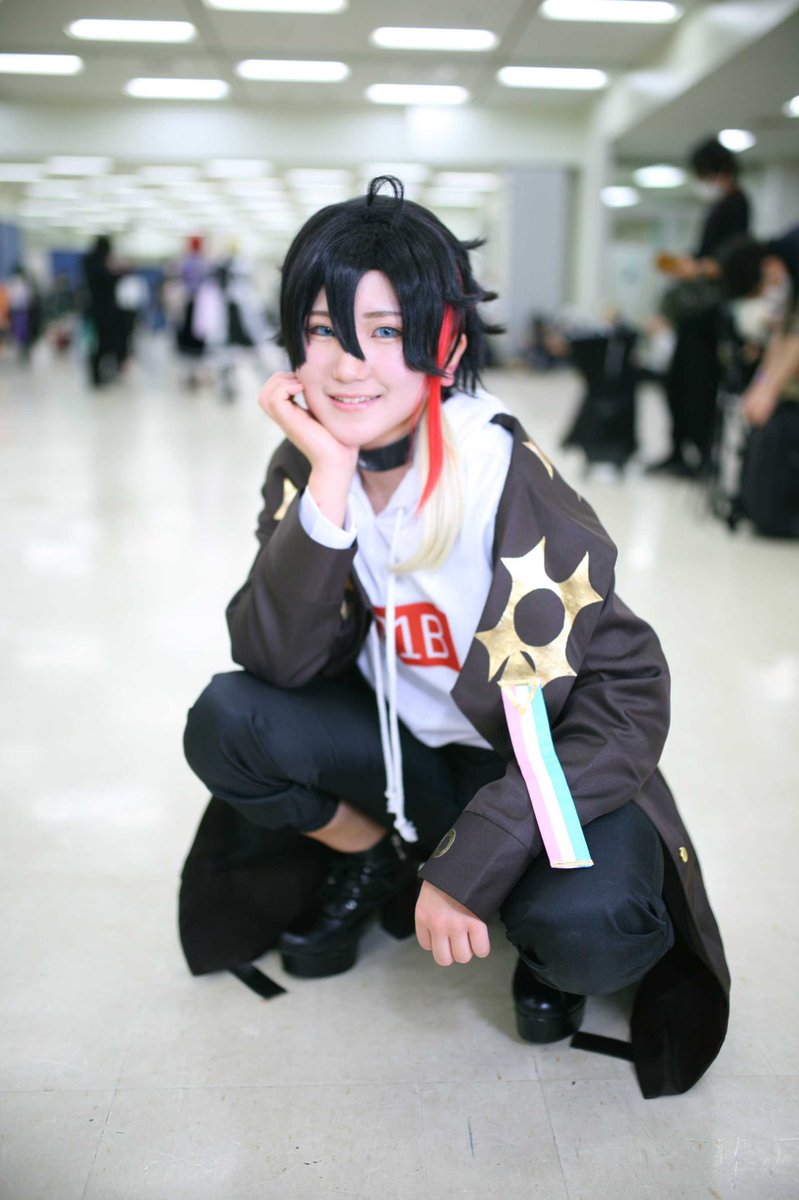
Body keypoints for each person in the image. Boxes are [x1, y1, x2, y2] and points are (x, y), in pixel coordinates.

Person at [180, 177, 729, 1099]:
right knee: (227, 719)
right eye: (323, 330)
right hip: (403, 753)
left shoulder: (500, 475)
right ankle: (375, 856)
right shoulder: (309, 458)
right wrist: (329, 482)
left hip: (535, 766)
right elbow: (273, 661)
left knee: (592, 932)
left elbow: (629, 698)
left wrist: (483, 851)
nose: (348, 366)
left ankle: (536, 939)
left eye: (386, 331)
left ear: (448, 344)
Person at [648, 137, 751, 475]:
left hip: (710, 313)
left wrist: (699, 268)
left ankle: (703, 458)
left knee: (701, 386)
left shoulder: (738, 205)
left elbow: (732, 259)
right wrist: (687, 265)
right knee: (676, 383)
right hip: (693, 314)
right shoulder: (718, 207)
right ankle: (679, 451)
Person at [82, 235, 124, 387]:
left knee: (99, 342)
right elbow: (108, 280)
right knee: (101, 342)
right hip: (102, 311)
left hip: (95, 309)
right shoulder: (97, 263)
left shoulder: (91, 262)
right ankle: (96, 373)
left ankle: (98, 372)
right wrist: (118, 272)